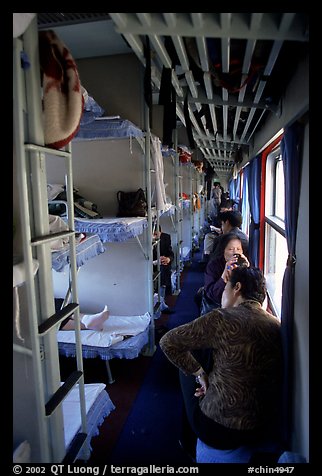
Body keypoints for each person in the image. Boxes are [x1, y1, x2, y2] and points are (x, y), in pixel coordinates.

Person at [160, 266, 282, 458]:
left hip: (218, 429)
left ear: (237, 288)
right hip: (260, 427)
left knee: (189, 362)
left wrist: (200, 374)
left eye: (226, 287)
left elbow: (168, 342)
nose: (223, 293)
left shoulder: (222, 318)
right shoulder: (276, 325)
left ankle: (187, 441)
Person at [153, 226, 174, 296]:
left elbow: (171, 254)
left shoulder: (166, 238)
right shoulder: (146, 241)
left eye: (156, 234)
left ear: (160, 233)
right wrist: (156, 262)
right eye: (153, 234)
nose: (154, 237)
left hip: (162, 263)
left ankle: (162, 294)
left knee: (164, 266)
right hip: (151, 263)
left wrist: (168, 259)